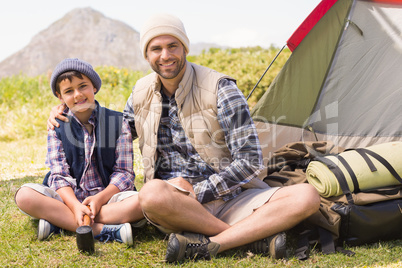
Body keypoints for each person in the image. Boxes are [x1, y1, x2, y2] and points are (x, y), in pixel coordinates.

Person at [48, 15, 321, 262]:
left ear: (185, 48)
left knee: (307, 196)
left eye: (172, 46)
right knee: (152, 193)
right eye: (156, 49)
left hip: (231, 198)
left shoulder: (220, 89)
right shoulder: (140, 93)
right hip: (173, 204)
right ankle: (251, 237)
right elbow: (112, 134)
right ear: (147, 55)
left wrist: (198, 191)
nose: (165, 55)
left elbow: (250, 162)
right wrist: (69, 112)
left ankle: (210, 244)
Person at [16, 58, 144, 245]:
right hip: (67, 200)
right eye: (69, 91)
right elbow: (59, 175)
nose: (77, 95)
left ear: (94, 87)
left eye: (83, 86)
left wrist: (100, 199)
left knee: (144, 202)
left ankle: (59, 223)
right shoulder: (57, 126)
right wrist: (75, 206)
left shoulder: (118, 122)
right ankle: (102, 230)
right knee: (24, 196)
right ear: (60, 97)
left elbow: (124, 174)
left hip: (108, 198)